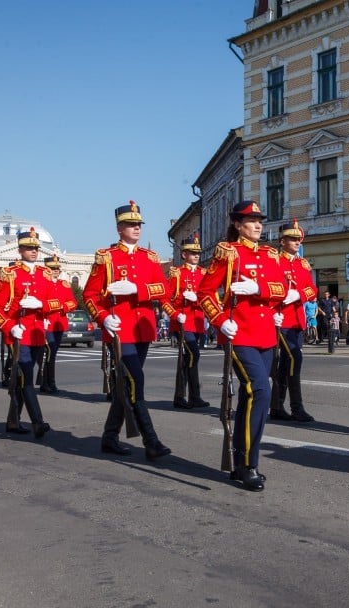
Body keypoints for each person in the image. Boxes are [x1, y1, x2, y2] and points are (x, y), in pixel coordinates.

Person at [199, 200, 287, 491]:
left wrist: (258, 289)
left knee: (252, 398)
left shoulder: (270, 253)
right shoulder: (227, 252)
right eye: (250, 220)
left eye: (259, 219)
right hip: (239, 334)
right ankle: (249, 463)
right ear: (237, 224)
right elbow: (205, 292)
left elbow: (282, 289)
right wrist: (221, 319)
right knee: (260, 390)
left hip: (265, 335)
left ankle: (239, 462)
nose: (258, 224)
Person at [82, 201, 171, 460]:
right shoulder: (107, 257)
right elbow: (89, 294)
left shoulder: (149, 257)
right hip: (119, 330)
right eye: (131, 224)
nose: (136, 228)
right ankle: (151, 441)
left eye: (139, 224)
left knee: (127, 385)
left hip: (142, 329)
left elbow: (163, 289)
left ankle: (110, 437)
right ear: (119, 228)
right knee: (135, 383)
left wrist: (137, 289)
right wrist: (102, 317)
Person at [0, 229, 56, 439]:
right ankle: (38, 422)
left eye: (36, 248)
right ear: (20, 250)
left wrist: (41, 304)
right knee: (27, 378)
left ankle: (12, 421)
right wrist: (9, 326)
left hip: (38, 333)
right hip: (18, 334)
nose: (34, 251)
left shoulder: (44, 274)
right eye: (29, 248)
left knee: (20, 380)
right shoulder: (10, 274)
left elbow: (57, 303)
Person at [270, 219, 317, 422]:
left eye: (299, 239)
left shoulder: (301, 263)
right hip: (281, 319)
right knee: (294, 359)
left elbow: (312, 289)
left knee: (285, 365)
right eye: (293, 239)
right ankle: (296, 407)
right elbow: (268, 288)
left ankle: (277, 406)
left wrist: (299, 294)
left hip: (297, 319)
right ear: (282, 241)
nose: (297, 242)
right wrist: (273, 310)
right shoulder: (274, 261)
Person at [163, 233, 210, 410]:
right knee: (193, 355)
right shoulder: (176, 273)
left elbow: (207, 297)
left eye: (198, 252)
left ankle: (181, 396)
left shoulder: (203, 273)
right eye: (192, 253)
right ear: (184, 255)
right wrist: (174, 315)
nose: (196, 256)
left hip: (197, 321)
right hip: (182, 322)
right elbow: (167, 298)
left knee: (187, 359)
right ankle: (193, 395)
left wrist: (196, 300)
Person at [40, 255, 78, 393]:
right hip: (47, 323)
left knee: (53, 353)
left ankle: (48, 381)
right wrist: (58, 306)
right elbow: (41, 303)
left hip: (59, 323)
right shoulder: (42, 283)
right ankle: (48, 382)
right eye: (52, 268)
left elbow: (73, 302)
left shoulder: (64, 284)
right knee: (49, 352)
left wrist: (63, 307)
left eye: (57, 268)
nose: (55, 270)